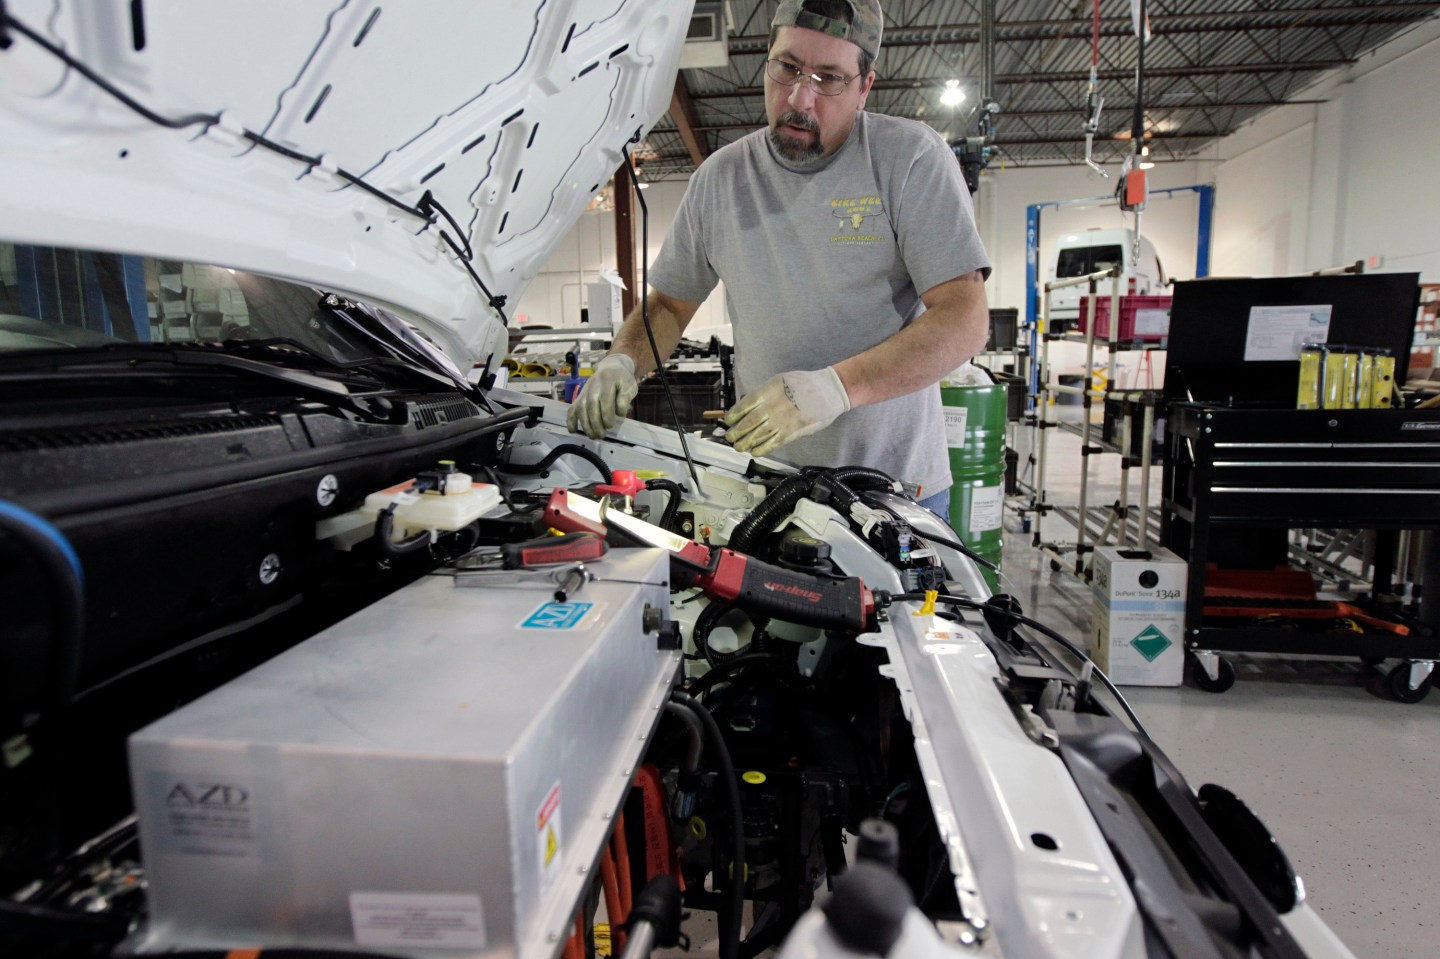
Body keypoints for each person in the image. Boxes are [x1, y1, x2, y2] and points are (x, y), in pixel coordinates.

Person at [568, 0, 990, 518]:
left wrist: (835, 388)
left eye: (829, 78)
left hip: (895, 496)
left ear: (865, 87)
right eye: (787, 68)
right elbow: (668, 308)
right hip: (769, 488)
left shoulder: (911, 160)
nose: (799, 99)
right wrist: (621, 360)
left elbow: (964, 320)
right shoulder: (720, 181)